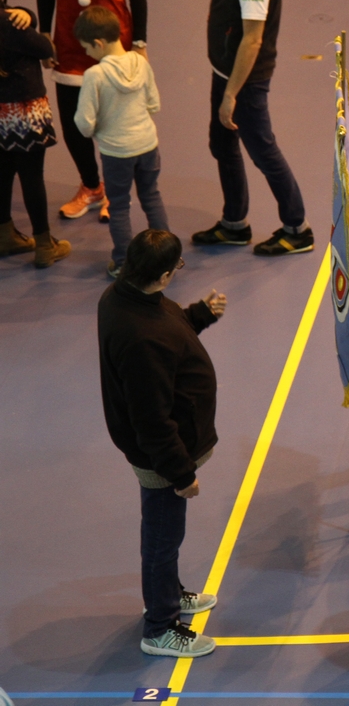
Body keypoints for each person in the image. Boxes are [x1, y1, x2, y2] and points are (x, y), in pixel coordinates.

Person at [97, 229, 226, 658]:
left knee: (165, 535)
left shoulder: (124, 296)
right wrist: (180, 472)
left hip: (162, 453)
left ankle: (169, 593)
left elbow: (173, 330)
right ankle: (160, 627)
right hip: (162, 459)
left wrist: (201, 315)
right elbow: (151, 419)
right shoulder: (141, 336)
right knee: (162, 538)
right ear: (166, 274)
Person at [190, 0, 312, 256]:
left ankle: (297, 229)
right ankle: (234, 224)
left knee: (262, 150)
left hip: (244, 81)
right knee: (222, 144)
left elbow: (253, 39)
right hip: (226, 72)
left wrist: (231, 95)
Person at [37, 0, 148, 223]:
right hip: (69, 41)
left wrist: (141, 45)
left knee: (113, 124)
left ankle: (115, 193)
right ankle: (91, 185)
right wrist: (44, 35)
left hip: (113, 45)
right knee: (73, 124)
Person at [73, 6, 166, 278]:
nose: (87, 54)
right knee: (152, 197)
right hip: (148, 146)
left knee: (120, 205)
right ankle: (169, 254)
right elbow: (154, 104)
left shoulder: (95, 76)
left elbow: (83, 122)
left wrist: (99, 128)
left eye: (87, 49)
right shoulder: (141, 62)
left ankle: (123, 261)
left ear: (98, 44)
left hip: (117, 153)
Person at [0, 0, 71, 268]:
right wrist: (27, 18)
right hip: (24, 113)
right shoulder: (7, 24)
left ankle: (5, 235)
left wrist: (25, 14)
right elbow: (44, 48)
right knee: (31, 178)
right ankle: (44, 245)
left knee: (2, 174)